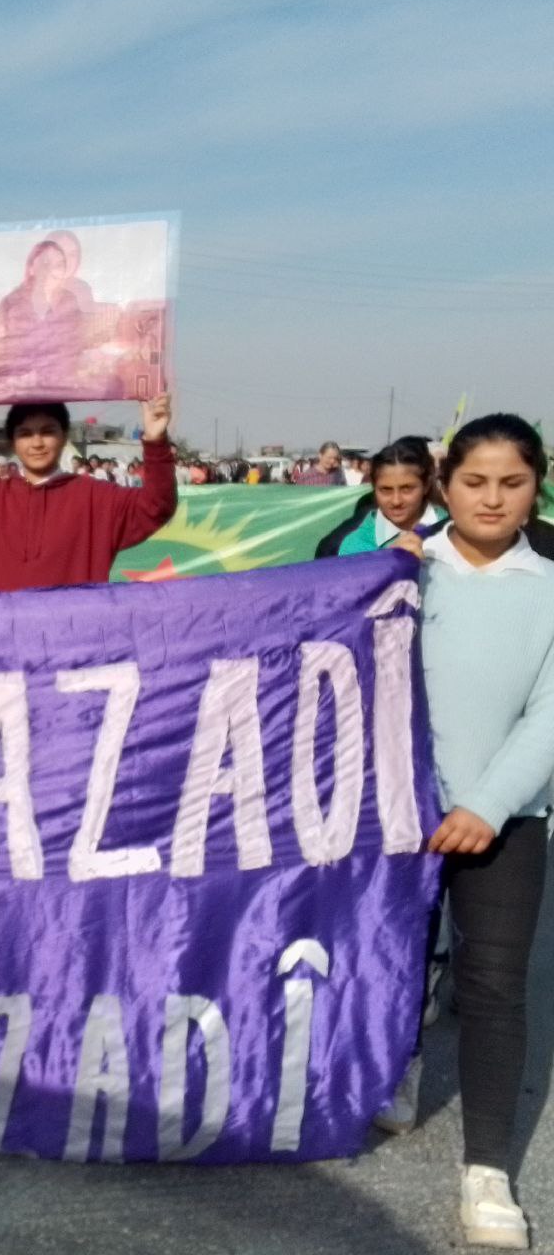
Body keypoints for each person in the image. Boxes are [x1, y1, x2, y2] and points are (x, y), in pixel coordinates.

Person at [388, 414, 554, 1249]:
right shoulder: (400, 574)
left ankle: (486, 1168)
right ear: (444, 486)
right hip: (397, 813)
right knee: (390, 962)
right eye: (475, 482)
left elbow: (549, 717)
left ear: (537, 489)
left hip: (505, 821)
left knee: (492, 986)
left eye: (512, 483)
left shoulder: (550, 587)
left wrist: (486, 806)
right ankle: (391, 1075)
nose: (492, 499)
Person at [0, 393, 175, 591]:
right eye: (25, 433)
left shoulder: (97, 497)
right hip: (2, 643)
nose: (37, 443)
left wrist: (155, 440)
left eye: (47, 431)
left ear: (64, 436)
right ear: (12, 442)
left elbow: (157, 505)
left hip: (76, 643)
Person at [315, 437, 444, 558]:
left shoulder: (452, 531)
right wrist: (385, 562)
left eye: (407, 489)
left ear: (426, 485)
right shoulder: (355, 546)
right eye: (385, 490)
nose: (396, 501)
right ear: (374, 488)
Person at [0, 240, 83, 386]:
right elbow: (7, 350)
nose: (52, 269)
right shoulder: (11, 302)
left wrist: (54, 378)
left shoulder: (70, 302)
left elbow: (72, 349)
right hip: (19, 385)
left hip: (60, 386)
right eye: (45, 263)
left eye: (59, 265)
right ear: (31, 268)